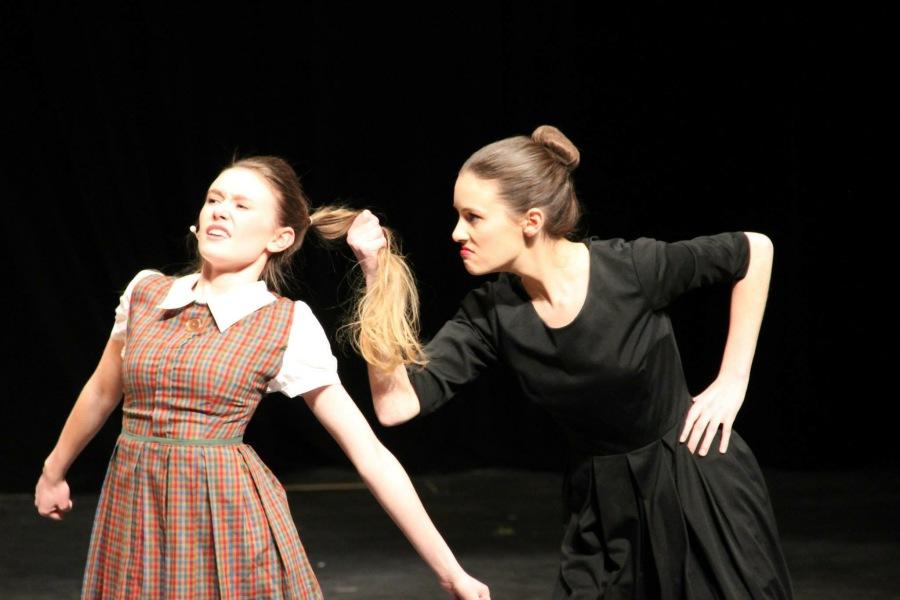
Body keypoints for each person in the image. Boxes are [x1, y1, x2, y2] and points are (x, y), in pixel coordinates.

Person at [347, 126, 794, 598]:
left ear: (531, 220)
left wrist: (733, 378)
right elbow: (395, 406)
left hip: (694, 483)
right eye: (459, 216)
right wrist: (375, 279)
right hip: (601, 507)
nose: (458, 232)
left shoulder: (630, 269)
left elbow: (753, 249)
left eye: (473, 217)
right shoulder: (492, 313)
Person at [34, 156, 490, 600]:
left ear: (279, 237)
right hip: (134, 507)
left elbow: (367, 451)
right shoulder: (147, 292)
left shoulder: (284, 323)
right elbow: (101, 390)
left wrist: (450, 573)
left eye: (241, 205)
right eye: (215, 198)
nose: (220, 209)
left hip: (221, 516)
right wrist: (53, 470)